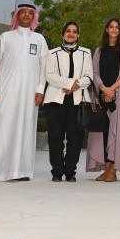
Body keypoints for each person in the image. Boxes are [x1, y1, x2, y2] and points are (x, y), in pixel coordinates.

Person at [0, 4, 48, 181]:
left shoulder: (39, 40)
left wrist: (40, 90)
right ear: (17, 15)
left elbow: (43, 69)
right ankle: (0, 172)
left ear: (34, 17)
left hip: (30, 94)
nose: (27, 16)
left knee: (26, 130)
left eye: (31, 13)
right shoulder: (5, 37)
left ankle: (22, 171)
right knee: (4, 129)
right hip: (6, 91)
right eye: (23, 12)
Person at [43, 21, 93, 182]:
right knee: (55, 137)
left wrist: (76, 85)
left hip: (77, 102)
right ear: (63, 34)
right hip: (55, 101)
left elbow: (89, 76)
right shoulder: (52, 53)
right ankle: (57, 172)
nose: (71, 34)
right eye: (68, 31)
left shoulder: (86, 53)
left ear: (78, 35)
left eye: (74, 31)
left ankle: (70, 171)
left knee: (75, 138)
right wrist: (69, 84)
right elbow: (49, 75)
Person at [87, 18, 120, 182]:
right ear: (106, 30)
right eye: (111, 27)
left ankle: (112, 169)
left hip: (117, 96)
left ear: (119, 31)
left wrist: (112, 89)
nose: (114, 30)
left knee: (115, 132)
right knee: (103, 131)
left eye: (117, 27)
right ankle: (105, 167)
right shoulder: (99, 51)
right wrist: (103, 89)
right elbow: (94, 72)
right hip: (101, 96)